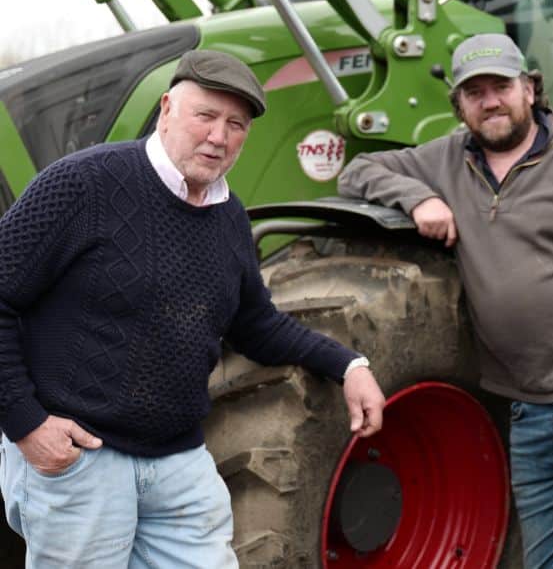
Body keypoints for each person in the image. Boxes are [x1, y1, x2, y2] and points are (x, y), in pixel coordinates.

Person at [0, 50, 385, 568]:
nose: (219, 137)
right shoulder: (84, 184)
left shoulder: (229, 218)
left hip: (178, 465)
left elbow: (256, 325)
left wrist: (348, 364)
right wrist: (25, 422)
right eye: (205, 116)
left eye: (236, 125)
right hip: (81, 461)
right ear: (166, 109)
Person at [338, 32, 553, 569]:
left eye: (501, 86)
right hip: (526, 409)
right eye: (475, 92)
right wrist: (418, 196)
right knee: (542, 558)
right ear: (459, 105)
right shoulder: (447, 159)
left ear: (530, 89)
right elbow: (355, 171)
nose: (490, 100)